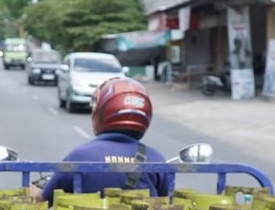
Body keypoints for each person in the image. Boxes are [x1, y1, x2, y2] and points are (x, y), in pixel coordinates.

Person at [39, 78, 174, 202]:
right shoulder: (156, 159)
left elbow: (44, 199)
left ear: (101, 111)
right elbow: (166, 205)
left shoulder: (79, 156)